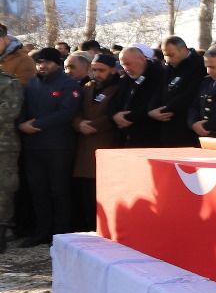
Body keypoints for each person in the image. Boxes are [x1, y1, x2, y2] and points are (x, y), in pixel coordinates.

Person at [15, 47, 82, 246]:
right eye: (39, 62)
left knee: (58, 190)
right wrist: (20, 124)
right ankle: (41, 231)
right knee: (38, 191)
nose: (42, 66)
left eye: (47, 62)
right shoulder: (32, 83)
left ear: (57, 64)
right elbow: (22, 108)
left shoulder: (69, 84)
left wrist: (35, 125)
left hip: (58, 147)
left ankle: (60, 233)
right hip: (33, 146)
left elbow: (66, 113)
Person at [72, 53, 122, 230]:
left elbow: (114, 114)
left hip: (105, 144)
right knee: (86, 194)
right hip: (84, 148)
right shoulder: (87, 86)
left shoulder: (120, 88)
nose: (97, 74)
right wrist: (79, 124)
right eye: (94, 70)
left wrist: (94, 125)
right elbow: (76, 111)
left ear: (113, 70)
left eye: (101, 70)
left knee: (102, 193)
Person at [151, 36, 205, 147]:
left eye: (171, 55)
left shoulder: (199, 65)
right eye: (165, 55)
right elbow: (160, 90)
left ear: (183, 50)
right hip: (167, 127)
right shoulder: (170, 66)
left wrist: (165, 109)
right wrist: (151, 109)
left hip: (185, 127)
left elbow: (190, 94)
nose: (167, 59)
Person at [111, 44, 167, 147]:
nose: (126, 68)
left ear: (141, 59)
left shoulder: (160, 75)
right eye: (123, 64)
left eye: (129, 64)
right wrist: (114, 114)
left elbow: (157, 102)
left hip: (149, 136)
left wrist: (130, 116)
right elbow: (113, 101)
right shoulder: (125, 78)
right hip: (125, 138)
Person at [0, 60, 20, 252]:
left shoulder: (8, 82)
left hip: (3, 146)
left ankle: (2, 232)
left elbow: (10, 111)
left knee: (3, 190)